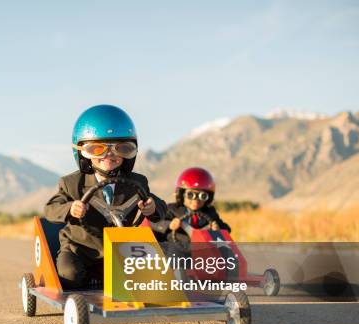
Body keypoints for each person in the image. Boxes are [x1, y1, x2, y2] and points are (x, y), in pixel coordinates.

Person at [44, 104, 167, 289]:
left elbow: (158, 204)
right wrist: (71, 208)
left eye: (122, 148)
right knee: (69, 274)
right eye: (97, 149)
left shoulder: (137, 182)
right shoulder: (71, 183)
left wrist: (153, 207)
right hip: (82, 248)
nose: (109, 155)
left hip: (122, 249)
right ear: (83, 153)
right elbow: (50, 209)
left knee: (153, 276)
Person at [153, 167, 230, 244]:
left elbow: (227, 229)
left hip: (203, 252)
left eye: (202, 196)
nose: (196, 199)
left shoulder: (210, 213)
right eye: (190, 194)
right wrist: (169, 225)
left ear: (208, 198)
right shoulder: (171, 209)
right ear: (181, 195)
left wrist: (219, 229)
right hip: (175, 250)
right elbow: (154, 223)